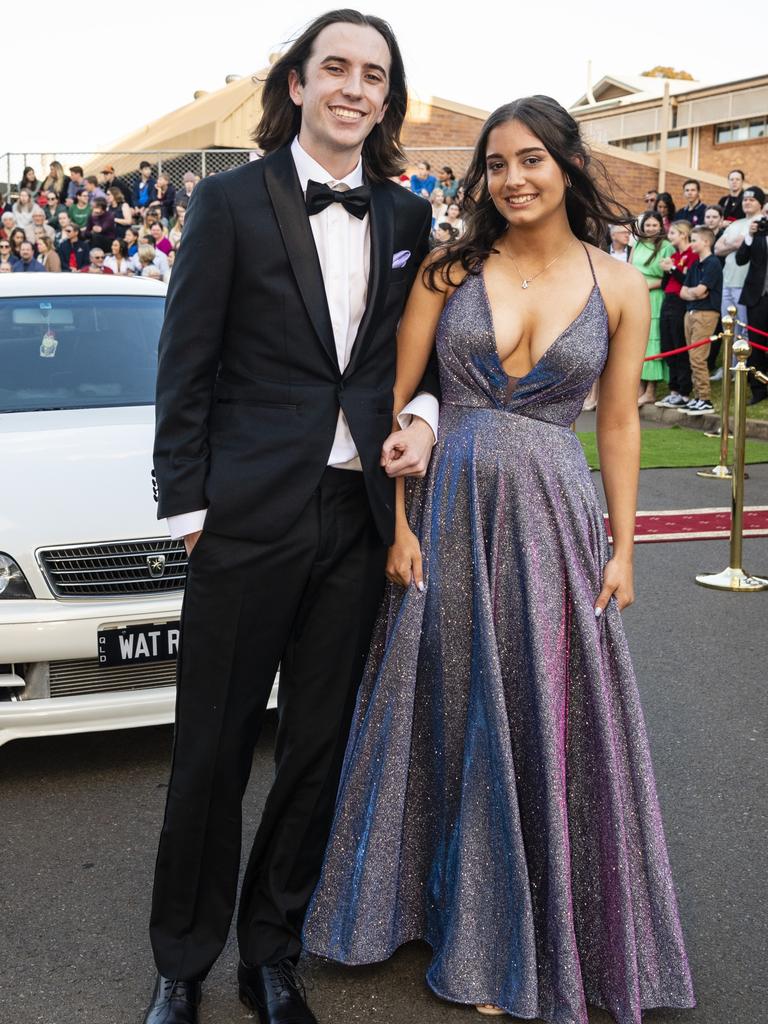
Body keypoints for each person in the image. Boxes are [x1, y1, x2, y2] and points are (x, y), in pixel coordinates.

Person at [303, 94, 695, 1024]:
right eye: (497, 163)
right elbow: (398, 402)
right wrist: (398, 524)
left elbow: (620, 423)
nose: (513, 179)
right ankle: (448, 915)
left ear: (566, 165)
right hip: (447, 516)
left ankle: (526, 933)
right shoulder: (449, 270)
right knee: (448, 708)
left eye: (532, 161)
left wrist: (625, 549)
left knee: (539, 711)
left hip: (558, 523)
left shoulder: (621, 285)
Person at [145, 12, 439, 1024]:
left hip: (355, 521)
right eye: (338, 69)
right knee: (212, 750)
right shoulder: (228, 202)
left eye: (375, 75)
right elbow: (184, 367)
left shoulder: (408, 218)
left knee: (317, 749)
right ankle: (181, 963)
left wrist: (428, 419)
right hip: (242, 520)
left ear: (387, 97)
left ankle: (271, 953)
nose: (357, 88)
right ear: (301, 83)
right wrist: (189, 512)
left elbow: (420, 353)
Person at [714, 185, 764, 352]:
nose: (747, 202)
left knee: (745, 329)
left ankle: (743, 370)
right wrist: (735, 243)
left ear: (760, 203)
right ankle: (730, 369)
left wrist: (732, 243)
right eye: (745, 199)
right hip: (728, 281)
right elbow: (717, 248)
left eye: (752, 199)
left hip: (746, 284)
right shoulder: (736, 224)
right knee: (728, 328)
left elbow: (737, 244)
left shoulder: (760, 222)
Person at [680, 226, 723, 415]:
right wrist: (694, 293)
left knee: (698, 357)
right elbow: (683, 291)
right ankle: (698, 396)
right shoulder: (695, 264)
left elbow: (700, 291)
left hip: (706, 314)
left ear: (706, 242)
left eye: (694, 239)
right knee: (692, 357)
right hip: (690, 313)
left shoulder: (713, 263)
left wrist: (694, 293)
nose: (691, 244)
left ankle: (705, 398)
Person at [631, 210, 672, 404]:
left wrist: (646, 285)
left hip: (655, 296)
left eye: (655, 225)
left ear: (661, 226)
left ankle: (650, 390)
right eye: (648, 225)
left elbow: (667, 277)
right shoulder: (637, 244)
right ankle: (638, 387)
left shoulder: (666, 247)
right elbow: (629, 268)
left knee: (652, 341)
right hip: (636, 296)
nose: (651, 228)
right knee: (637, 341)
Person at [656, 220, 697, 408]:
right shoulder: (674, 255)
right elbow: (666, 284)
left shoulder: (691, 254)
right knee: (668, 345)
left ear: (683, 234)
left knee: (679, 344)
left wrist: (672, 269)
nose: (669, 236)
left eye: (672, 233)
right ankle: (673, 390)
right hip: (668, 299)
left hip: (682, 301)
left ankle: (684, 391)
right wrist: (667, 270)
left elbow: (687, 279)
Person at [734, 187, 768, 405]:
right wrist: (749, 235)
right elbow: (740, 260)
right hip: (757, 296)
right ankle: (757, 388)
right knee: (755, 342)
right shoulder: (757, 234)